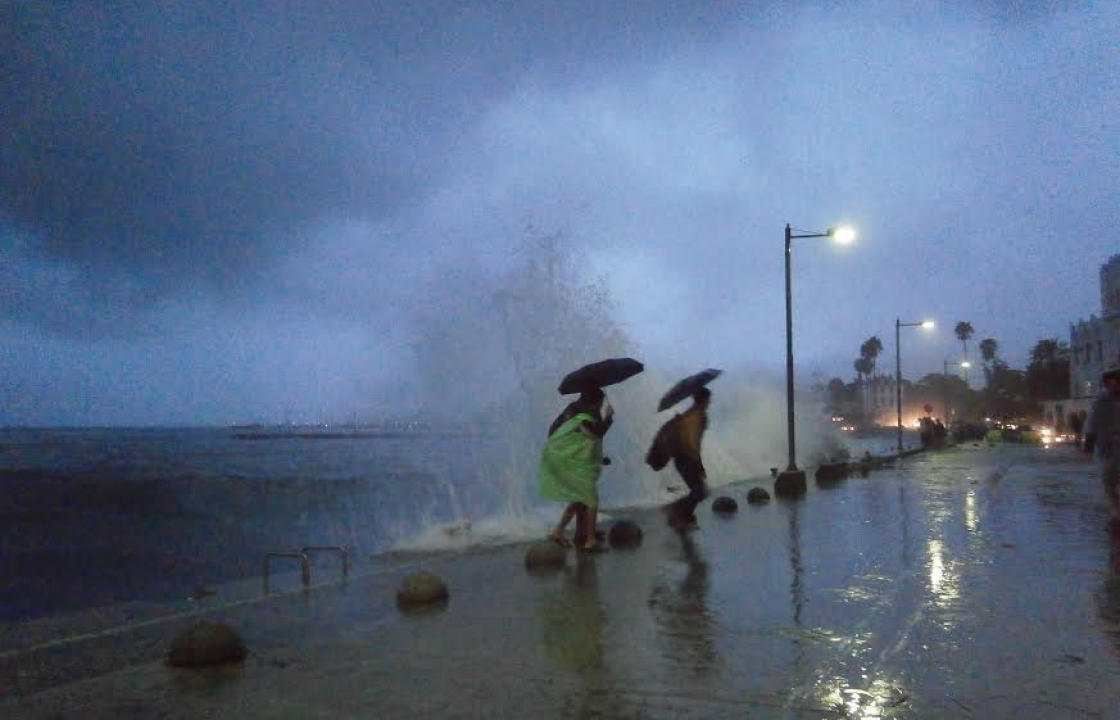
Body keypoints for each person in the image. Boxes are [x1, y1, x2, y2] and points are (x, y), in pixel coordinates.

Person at [539, 387, 613, 552]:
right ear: (594, 402)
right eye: (600, 403)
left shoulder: (578, 411)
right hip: (567, 462)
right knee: (591, 500)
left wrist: (600, 458)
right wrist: (608, 418)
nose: (600, 407)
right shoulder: (580, 416)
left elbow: (581, 443)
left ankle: (561, 531)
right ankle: (590, 541)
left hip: (566, 459)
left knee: (580, 499)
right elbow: (595, 434)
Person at [648, 388, 711, 531]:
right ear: (703, 400)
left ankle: (683, 518)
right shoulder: (694, 417)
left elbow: (695, 442)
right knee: (699, 491)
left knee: (699, 490)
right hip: (685, 459)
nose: (709, 402)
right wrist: (698, 465)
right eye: (708, 399)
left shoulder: (696, 415)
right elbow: (692, 443)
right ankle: (677, 513)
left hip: (685, 458)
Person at [1084, 369, 1120, 531]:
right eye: (1110, 383)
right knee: (1109, 482)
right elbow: (1092, 423)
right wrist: (1088, 446)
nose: (1114, 386)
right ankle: (1116, 514)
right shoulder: (1101, 402)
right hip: (1108, 448)